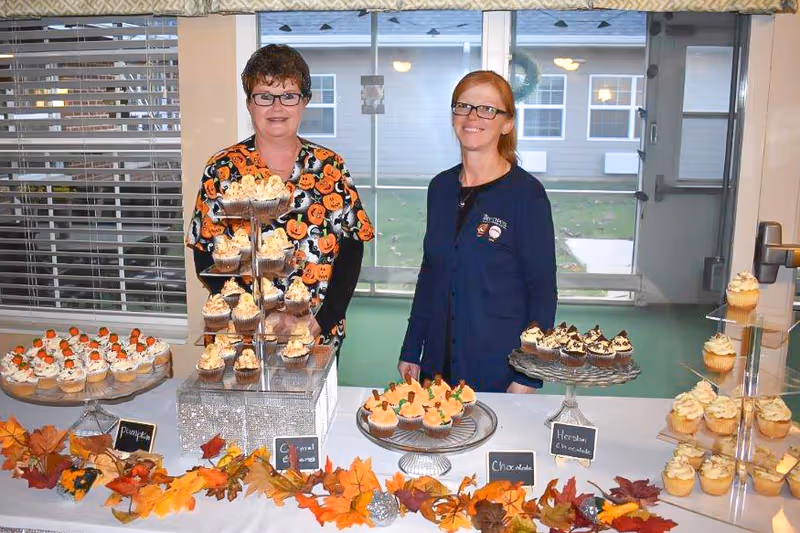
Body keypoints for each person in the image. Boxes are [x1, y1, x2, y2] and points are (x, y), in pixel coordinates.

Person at [186, 44, 374, 349]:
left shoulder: (330, 168)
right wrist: (260, 317)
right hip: (242, 335)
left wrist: (321, 321)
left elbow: (352, 250)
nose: (277, 108)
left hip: (315, 332)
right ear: (249, 103)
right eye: (264, 96)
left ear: (305, 103)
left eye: (289, 96)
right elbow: (205, 253)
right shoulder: (221, 170)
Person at [397, 71, 557, 393]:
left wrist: (528, 376)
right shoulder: (440, 188)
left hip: (498, 369)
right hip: (436, 370)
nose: (472, 117)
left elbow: (542, 293)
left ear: (507, 123)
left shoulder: (526, 194)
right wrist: (412, 348)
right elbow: (430, 275)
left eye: (487, 109)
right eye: (464, 106)